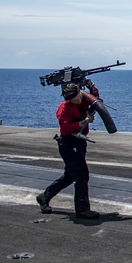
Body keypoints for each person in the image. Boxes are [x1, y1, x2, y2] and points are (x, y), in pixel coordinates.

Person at [36, 81, 101, 219]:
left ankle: (44, 197)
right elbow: (65, 130)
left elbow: (94, 98)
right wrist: (85, 122)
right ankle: (82, 210)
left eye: (79, 96)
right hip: (68, 143)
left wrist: (92, 87)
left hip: (80, 141)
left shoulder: (83, 99)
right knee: (82, 175)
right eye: (75, 99)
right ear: (68, 99)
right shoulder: (64, 109)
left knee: (71, 175)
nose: (78, 100)